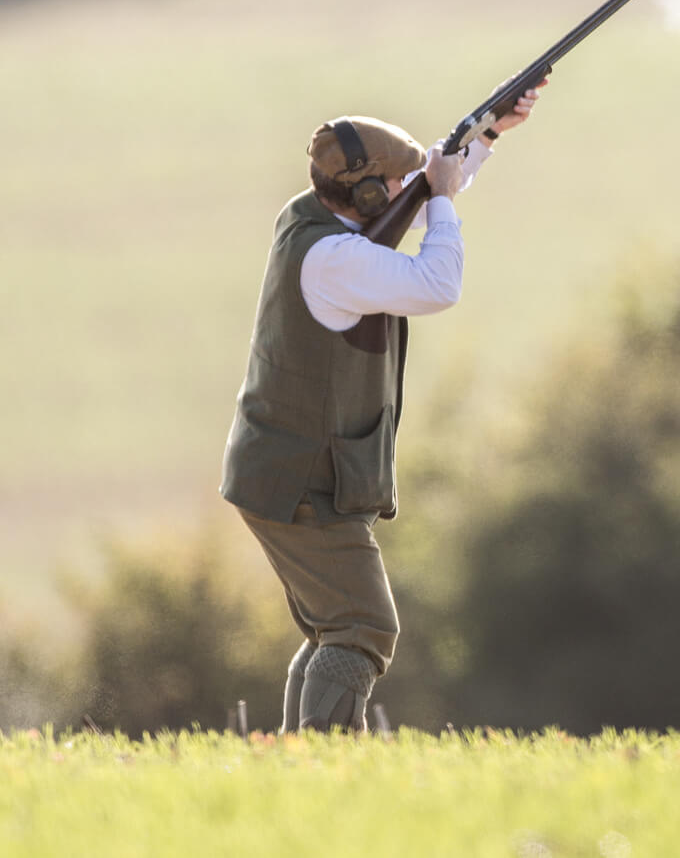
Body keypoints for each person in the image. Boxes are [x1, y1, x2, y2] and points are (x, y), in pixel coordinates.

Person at [219, 90, 538, 731]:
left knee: (335, 626)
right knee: (362, 626)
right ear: (365, 197)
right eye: (394, 181)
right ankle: (322, 769)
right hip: (300, 481)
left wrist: (483, 138)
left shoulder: (314, 217)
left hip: (285, 470)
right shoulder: (334, 260)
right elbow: (437, 283)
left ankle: (302, 764)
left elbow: (412, 195)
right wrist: (443, 197)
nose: (408, 188)